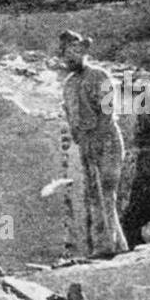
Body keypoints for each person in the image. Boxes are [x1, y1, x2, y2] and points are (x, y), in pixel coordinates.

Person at [58, 30, 129, 258]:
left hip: (106, 139)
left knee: (106, 192)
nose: (71, 58)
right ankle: (114, 245)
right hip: (86, 143)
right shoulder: (68, 84)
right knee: (93, 194)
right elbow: (70, 115)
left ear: (83, 52)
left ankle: (106, 246)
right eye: (66, 53)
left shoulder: (100, 76)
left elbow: (108, 112)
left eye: (75, 52)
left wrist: (94, 137)